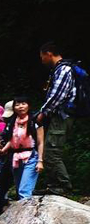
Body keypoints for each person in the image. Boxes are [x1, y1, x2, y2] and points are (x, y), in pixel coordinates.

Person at [37, 42, 75, 195]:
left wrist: (42, 112)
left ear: (49, 53)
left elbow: (57, 95)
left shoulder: (64, 69)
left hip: (62, 116)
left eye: (42, 57)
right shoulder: (58, 70)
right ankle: (53, 185)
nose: (42, 60)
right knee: (49, 150)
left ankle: (64, 186)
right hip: (59, 116)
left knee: (52, 152)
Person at [0, 96, 42, 200]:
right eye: (17, 104)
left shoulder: (34, 121)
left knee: (24, 191)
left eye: (23, 103)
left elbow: (40, 142)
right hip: (16, 157)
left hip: (31, 156)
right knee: (19, 189)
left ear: (29, 105)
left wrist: (40, 161)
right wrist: (4, 149)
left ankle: (27, 216)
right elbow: (12, 140)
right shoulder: (13, 122)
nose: (20, 107)